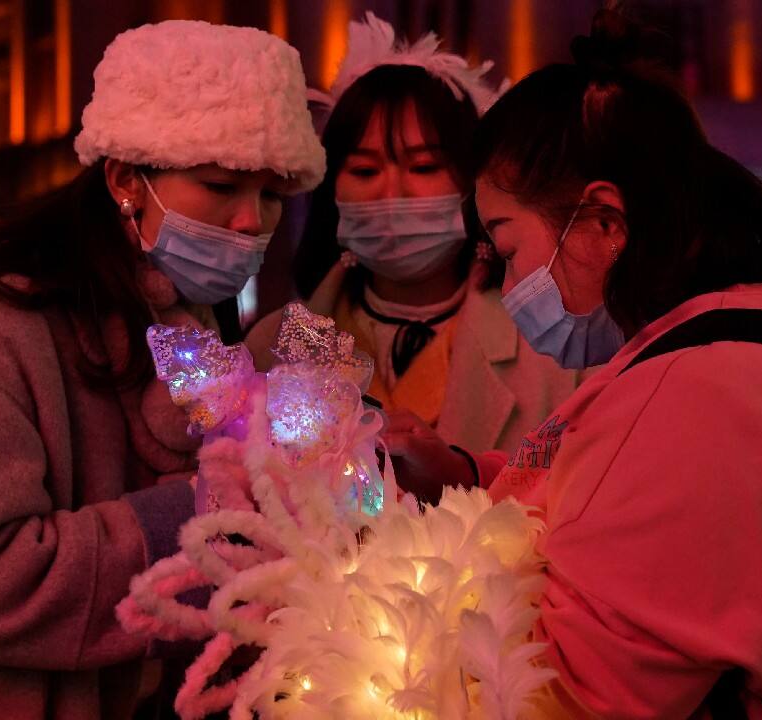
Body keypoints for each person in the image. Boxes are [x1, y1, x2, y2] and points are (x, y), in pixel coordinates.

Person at [384, 6, 762, 717]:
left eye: (508, 248)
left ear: (605, 222)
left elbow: (561, 698)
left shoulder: (686, 400)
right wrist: (467, 476)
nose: (505, 285)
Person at [0, 19, 324, 720]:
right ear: (124, 180)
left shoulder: (186, 326)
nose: (248, 222)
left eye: (270, 196)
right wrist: (210, 519)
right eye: (220, 185)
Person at [244, 12, 587, 458]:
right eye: (365, 170)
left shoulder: (556, 351)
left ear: (474, 185)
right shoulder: (271, 348)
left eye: (423, 167)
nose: (393, 193)